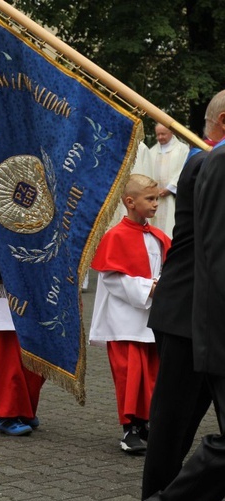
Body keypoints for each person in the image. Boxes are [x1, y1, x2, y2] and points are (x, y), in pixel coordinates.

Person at [144, 90, 225, 501]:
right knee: (172, 428)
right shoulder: (204, 164)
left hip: (206, 314)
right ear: (224, 121)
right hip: (188, 314)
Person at [89, 174, 171, 454]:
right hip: (123, 321)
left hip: (150, 321)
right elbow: (112, 279)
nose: (156, 204)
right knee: (129, 375)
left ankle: (145, 422)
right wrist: (148, 288)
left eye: (157, 198)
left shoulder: (159, 237)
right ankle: (129, 429)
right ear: (130, 202)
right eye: (150, 199)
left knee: (150, 373)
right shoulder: (115, 237)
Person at [0, 293, 45, 436]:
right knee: (5, 351)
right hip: (1, 287)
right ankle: (6, 414)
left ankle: (24, 409)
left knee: (36, 349)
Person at [149, 123, 189, 237]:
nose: (160, 137)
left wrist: (169, 188)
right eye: (158, 135)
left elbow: (183, 170)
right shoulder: (151, 151)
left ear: (171, 132)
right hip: (155, 197)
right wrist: (153, 190)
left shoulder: (182, 149)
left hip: (173, 197)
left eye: (163, 134)